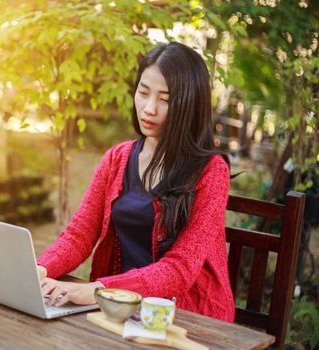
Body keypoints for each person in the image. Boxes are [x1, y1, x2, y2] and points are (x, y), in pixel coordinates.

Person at [36, 42, 235, 323]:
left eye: (165, 99)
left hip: (184, 319)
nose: (149, 108)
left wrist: (98, 290)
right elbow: (79, 235)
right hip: (118, 312)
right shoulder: (117, 159)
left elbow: (180, 268)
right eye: (143, 92)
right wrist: (39, 270)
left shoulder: (211, 172)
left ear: (188, 104)